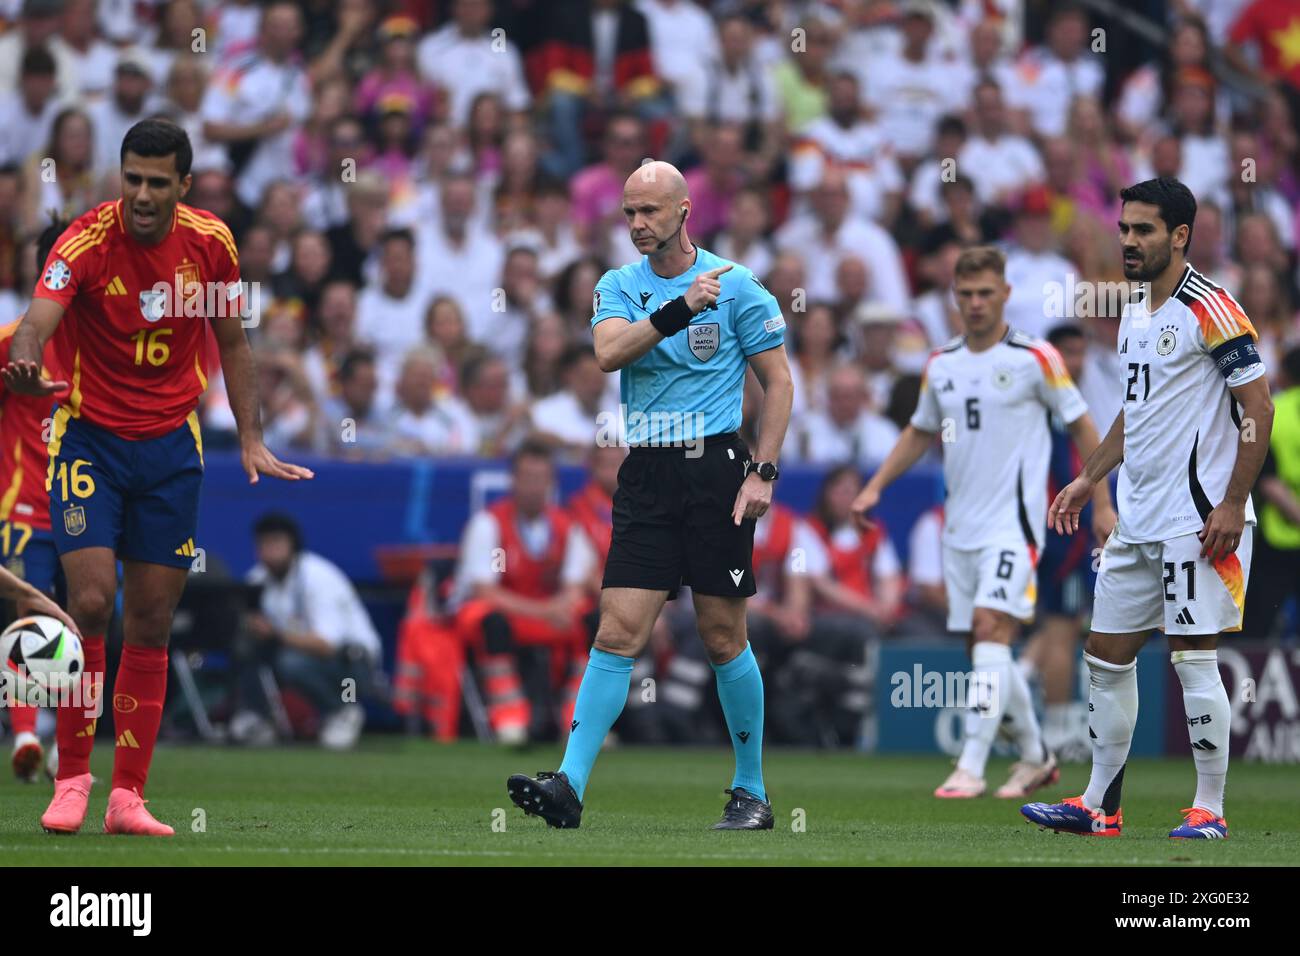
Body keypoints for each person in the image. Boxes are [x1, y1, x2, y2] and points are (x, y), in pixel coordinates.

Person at [4, 118, 312, 837]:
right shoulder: (81, 242)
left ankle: (127, 797)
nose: (141, 194)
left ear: (183, 184)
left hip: (172, 447)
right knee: (88, 602)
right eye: (131, 178)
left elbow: (234, 341)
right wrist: (25, 362)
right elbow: (34, 323)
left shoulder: (211, 245)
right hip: (88, 442)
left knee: (150, 618)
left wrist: (254, 437)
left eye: (155, 182)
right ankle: (73, 776)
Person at [506, 159, 793, 830]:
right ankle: (569, 784)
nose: (637, 224)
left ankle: (751, 791)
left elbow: (778, 382)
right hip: (647, 473)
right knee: (615, 629)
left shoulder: (738, 284)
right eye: (629, 212)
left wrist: (765, 471)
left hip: (718, 469)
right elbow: (609, 353)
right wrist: (677, 307)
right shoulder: (618, 285)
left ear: (684, 212)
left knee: (723, 635)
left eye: (650, 212)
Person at [1023, 177, 1274, 840]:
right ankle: (1100, 805)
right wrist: (1088, 479)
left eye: (1143, 230)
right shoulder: (1135, 307)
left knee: (1193, 657)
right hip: (1136, 519)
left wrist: (1234, 501)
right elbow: (1135, 414)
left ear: (1180, 235)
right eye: (1125, 228)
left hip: (1197, 519)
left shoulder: (1212, 308)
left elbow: (1259, 408)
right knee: (1104, 653)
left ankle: (1209, 810)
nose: (1128, 241)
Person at [853, 245, 1114, 801]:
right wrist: (876, 486)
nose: (974, 304)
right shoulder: (940, 363)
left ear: (1005, 295)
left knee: (995, 633)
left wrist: (1104, 503)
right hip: (960, 531)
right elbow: (920, 431)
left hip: (1014, 527)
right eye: (965, 294)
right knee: (985, 652)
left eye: (984, 294)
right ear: (955, 298)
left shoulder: (1036, 358)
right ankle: (1036, 757)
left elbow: (1084, 427)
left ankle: (969, 765)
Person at [0, 221, 76, 782]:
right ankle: (26, 731)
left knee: (87, 624)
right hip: (23, 508)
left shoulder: (104, 344)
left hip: (86, 508)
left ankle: (65, 747)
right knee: (30, 612)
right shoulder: (12, 341)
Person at [241, 513, 382, 749]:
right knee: (246, 648)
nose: (270, 551)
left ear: (293, 545)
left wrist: (274, 634)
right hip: (302, 659)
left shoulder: (318, 577)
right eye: (264, 544)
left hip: (354, 668)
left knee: (291, 662)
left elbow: (327, 646)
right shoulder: (257, 580)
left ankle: (343, 711)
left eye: (276, 543)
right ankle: (260, 718)